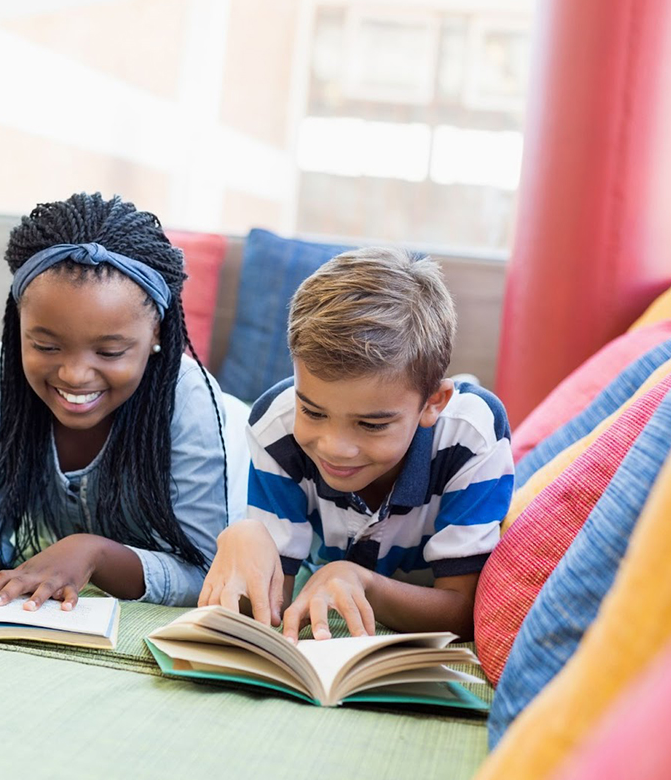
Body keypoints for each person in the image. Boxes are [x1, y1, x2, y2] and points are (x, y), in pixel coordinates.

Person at [0, 192, 245, 610]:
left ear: (158, 334)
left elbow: (208, 573)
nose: (75, 375)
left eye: (109, 353)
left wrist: (95, 553)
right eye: (46, 346)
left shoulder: (188, 399)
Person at [199, 247, 512, 641]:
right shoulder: (276, 427)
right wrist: (244, 538)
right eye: (312, 412)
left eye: (370, 424)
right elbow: (271, 608)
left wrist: (360, 581)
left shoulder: (471, 434)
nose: (335, 448)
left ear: (434, 402)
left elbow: (464, 612)